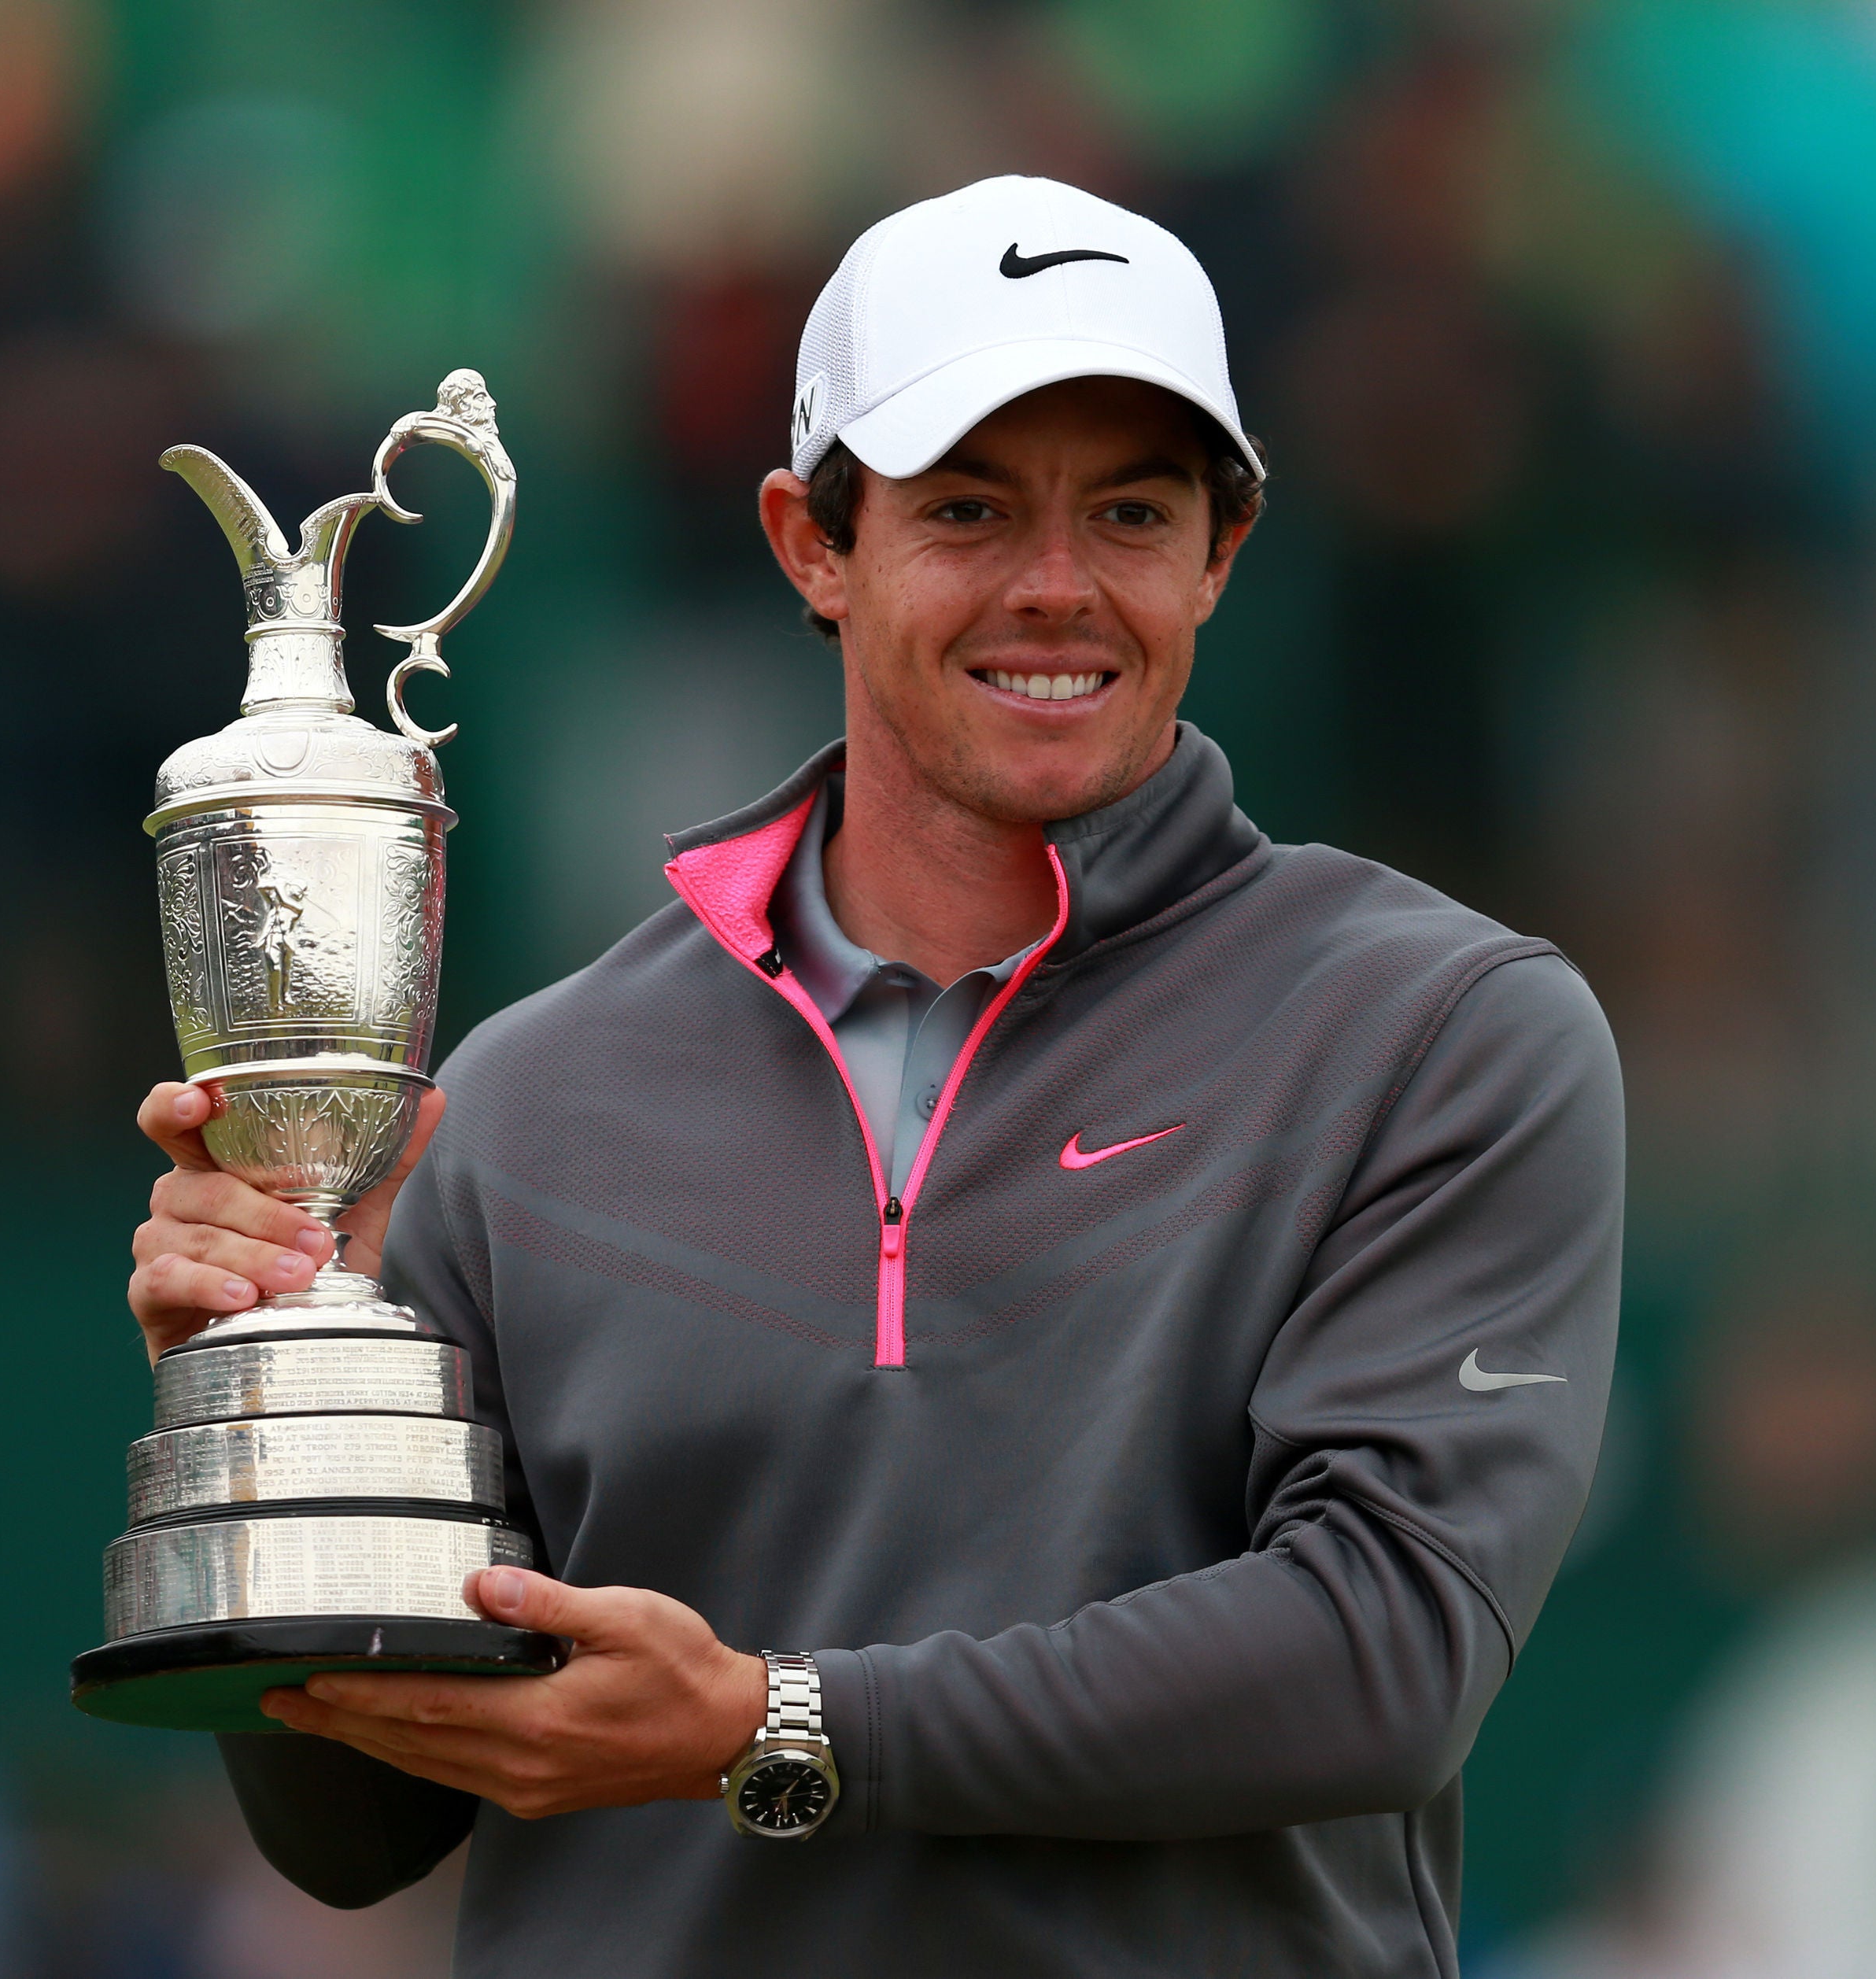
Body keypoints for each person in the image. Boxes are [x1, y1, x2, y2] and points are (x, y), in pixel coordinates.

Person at [126, 175, 1623, 1977]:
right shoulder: (526, 1101)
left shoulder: (1443, 1030)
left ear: (1221, 550)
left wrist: (778, 1724)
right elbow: (357, 1832)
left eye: (1132, 512)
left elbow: (1377, 1660)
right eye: (970, 510)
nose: (1057, 588)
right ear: (810, 544)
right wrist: (264, 1415)